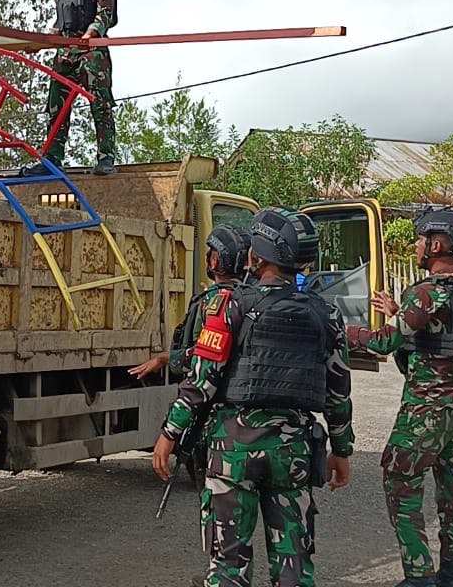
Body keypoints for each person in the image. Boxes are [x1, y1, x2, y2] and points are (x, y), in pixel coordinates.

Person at [154, 207, 353, 587]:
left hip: (233, 452)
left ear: (255, 257)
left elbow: (201, 382)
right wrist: (341, 450)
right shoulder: (326, 313)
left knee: (228, 566)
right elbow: (338, 391)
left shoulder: (229, 304)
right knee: (294, 565)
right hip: (294, 450)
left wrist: (169, 434)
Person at [344, 208, 453, 587]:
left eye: (422, 239)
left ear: (437, 244)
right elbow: (442, 333)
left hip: (428, 408)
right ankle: (451, 574)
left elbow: (383, 343)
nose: (418, 245)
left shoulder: (426, 292)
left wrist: (341, 329)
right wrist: (396, 311)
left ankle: (418, 573)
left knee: (400, 480)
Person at [21, 0, 118, 177]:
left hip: (91, 50)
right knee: (56, 104)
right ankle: (51, 159)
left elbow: (106, 14)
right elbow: (60, 21)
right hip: (66, 50)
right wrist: (42, 41)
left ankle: (106, 157)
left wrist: (91, 34)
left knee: (100, 103)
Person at [129, 224, 250, 380]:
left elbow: (203, 355)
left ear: (214, 261)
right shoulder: (253, 297)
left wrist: (164, 358)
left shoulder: (211, 302)